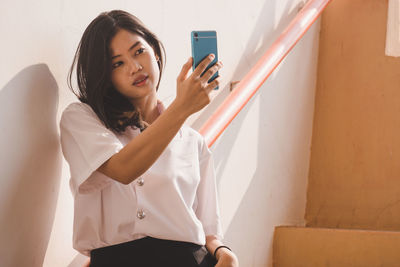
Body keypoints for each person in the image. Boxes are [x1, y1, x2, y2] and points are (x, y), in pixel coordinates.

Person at [60, 9, 239, 267]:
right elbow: (123, 168)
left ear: (154, 51)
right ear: (105, 75)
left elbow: (208, 229)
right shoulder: (82, 119)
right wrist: (183, 107)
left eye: (138, 51)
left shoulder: (192, 141)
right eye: (117, 63)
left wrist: (225, 253)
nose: (134, 67)